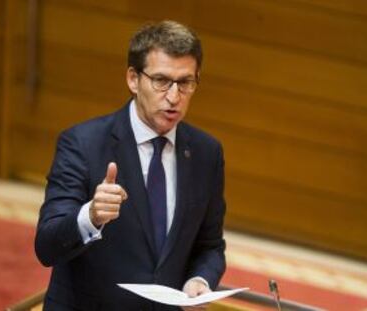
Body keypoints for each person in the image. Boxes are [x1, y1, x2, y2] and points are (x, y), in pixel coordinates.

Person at [35, 20, 226, 311]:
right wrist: (91, 216)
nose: (174, 97)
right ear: (133, 79)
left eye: (185, 82)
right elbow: (47, 246)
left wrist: (199, 279)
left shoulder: (206, 153)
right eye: (161, 81)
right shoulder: (83, 144)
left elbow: (210, 246)